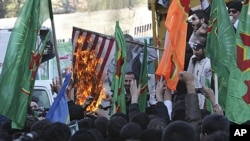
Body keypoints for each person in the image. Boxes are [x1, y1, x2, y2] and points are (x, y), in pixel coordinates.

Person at [187, 37, 212, 109]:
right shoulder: (193, 58)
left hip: (204, 96)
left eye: (197, 50)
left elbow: (207, 84)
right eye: (194, 50)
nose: (195, 52)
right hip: (194, 95)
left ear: (204, 49)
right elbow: (189, 75)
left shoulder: (209, 63)